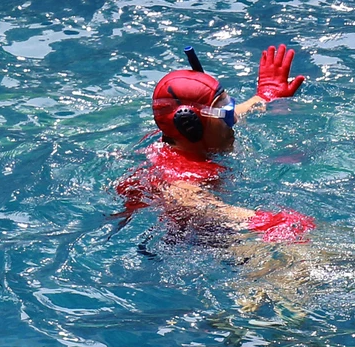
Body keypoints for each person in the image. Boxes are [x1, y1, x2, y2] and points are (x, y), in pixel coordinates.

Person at [116, 45, 313, 243]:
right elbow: (203, 207)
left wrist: (265, 96)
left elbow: (233, 113)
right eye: (225, 113)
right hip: (192, 241)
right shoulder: (180, 178)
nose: (233, 120)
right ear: (190, 126)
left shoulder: (182, 140)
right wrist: (272, 221)